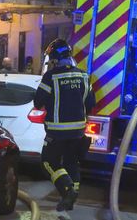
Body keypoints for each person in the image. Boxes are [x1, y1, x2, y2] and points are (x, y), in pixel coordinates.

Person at [34, 39, 95, 212]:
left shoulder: (51, 77)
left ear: (54, 58)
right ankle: (70, 198)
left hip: (57, 132)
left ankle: (67, 190)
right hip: (78, 132)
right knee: (71, 162)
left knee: (48, 161)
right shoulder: (84, 76)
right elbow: (90, 103)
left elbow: (38, 102)